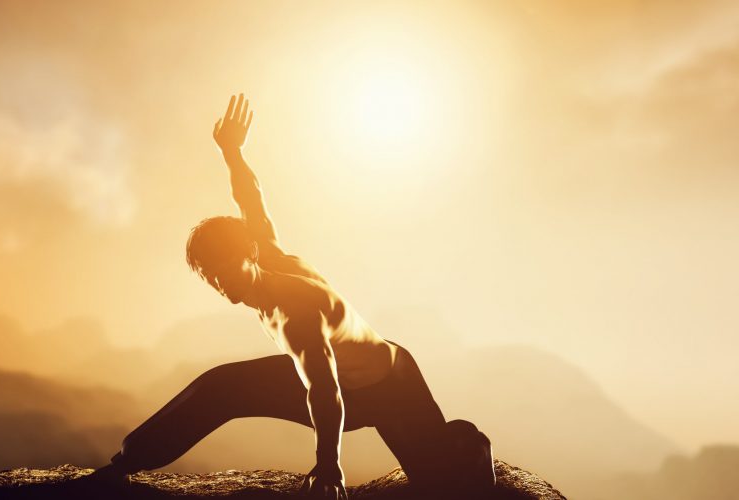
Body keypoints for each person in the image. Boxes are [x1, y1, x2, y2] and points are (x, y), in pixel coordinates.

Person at [85, 94, 495, 499]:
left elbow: (324, 389)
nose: (220, 282)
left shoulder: (293, 310)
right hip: (341, 376)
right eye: (210, 276)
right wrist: (232, 152)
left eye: (226, 270)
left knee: (439, 483)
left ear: (249, 256)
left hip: (388, 387)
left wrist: (330, 465)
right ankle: (125, 462)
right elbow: (250, 196)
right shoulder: (264, 247)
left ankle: (468, 442)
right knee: (221, 387)